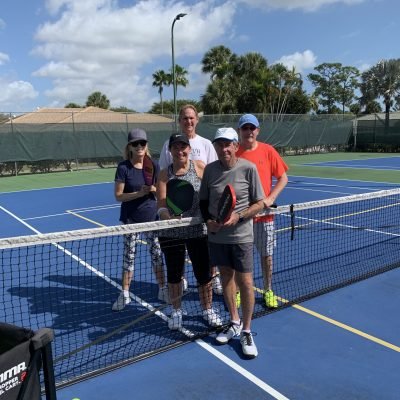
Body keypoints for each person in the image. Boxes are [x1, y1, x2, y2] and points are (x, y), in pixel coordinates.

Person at [199, 127, 265, 359]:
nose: (224, 149)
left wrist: (240, 216)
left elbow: (260, 203)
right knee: (225, 277)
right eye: (220, 144)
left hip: (241, 237)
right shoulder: (209, 170)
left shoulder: (248, 168)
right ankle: (233, 321)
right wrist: (209, 221)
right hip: (217, 238)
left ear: (236, 146)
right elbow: (204, 202)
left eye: (228, 144)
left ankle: (246, 330)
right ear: (215, 147)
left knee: (245, 282)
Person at [157, 133, 222, 330]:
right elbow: (160, 204)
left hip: (198, 231)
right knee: (175, 275)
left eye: (183, 147)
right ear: (170, 150)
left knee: (204, 275)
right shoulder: (163, 174)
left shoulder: (200, 167)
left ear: (189, 149)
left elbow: (211, 193)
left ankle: (207, 310)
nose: (180, 151)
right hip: (171, 233)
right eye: (175, 147)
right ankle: (176, 312)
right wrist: (168, 217)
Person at [159, 104, 223, 295]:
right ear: (179, 121)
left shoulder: (205, 144)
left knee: (205, 263)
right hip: (174, 227)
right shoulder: (166, 146)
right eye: (184, 118)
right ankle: (180, 288)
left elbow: (213, 178)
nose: (188, 121)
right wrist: (167, 212)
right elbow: (164, 179)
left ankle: (213, 280)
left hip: (199, 221)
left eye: (191, 118)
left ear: (197, 120)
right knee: (176, 268)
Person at [112, 128, 167, 311]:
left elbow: (161, 191)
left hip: (152, 219)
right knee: (129, 258)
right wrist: (139, 193)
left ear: (146, 145)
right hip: (131, 221)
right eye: (135, 144)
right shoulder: (123, 168)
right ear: (130, 147)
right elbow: (118, 196)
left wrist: (153, 191)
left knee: (157, 255)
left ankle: (162, 288)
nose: (139, 147)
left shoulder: (154, 165)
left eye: (142, 143)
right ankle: (125, 294)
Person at [237, 114, 288, 308]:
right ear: (240, 131)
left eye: (252, 128)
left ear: (257, 130)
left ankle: (268, 290)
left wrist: (271, 198)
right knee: (241, 258)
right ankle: (240, 291)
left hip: (265, 217)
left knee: (266, 256)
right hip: (242, 218)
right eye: (245, 128)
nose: (249, 132)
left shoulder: (268, 151)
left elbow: (283, 178)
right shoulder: (234, 152)